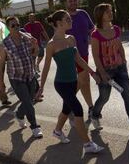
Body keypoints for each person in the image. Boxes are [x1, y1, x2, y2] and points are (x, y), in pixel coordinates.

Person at [39, 10, 104, 153]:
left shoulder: (71, 38)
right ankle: (88, 145)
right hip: (61, 84)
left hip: (73, 81)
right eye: (67, 19)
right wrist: (41, 87)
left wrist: (92, 73)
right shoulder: (51, 45)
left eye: (70, 18)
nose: (71, 20)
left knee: (66, 109)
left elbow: (79, 60)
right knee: (78, 109)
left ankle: (57, 131)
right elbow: (46, 68)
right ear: (58, 23)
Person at [90, 3, 129, 132]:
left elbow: (119, 46)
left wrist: (124, 62)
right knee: (104, 97)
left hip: (120, 68)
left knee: (127, 93)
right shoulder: (96, 34)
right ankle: (94, 115)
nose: (111, 13)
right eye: (107, 12)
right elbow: (95, 56)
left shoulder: (116, 29)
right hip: (106, 72)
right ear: (100, 15)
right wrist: (102, 73)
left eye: (111, 10)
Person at [0, 16, 43, 138]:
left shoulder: (27, 38)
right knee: (28, 103)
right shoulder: (4, 44)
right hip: (16, 78)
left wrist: (36, 45)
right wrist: (0, 82)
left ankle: (19, 114)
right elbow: (2, 64)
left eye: (18, 25)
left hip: (30, 74)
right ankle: (34, 127)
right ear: (8, 28)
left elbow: (35, 54)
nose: (17, 27)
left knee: (29, 100)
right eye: (13, 25)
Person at [64, 0, 95, 117]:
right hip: (69, 55)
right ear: (65, 3)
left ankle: (68, 103)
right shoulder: (63, 17)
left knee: (81, 81)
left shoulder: (83, 14)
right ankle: (91, 108)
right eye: (70, 1)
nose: (73, 2)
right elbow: (58, 35)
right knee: (84, 80)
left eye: (75, 0)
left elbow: (91, 29)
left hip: (83, 52)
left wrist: (94, 40)